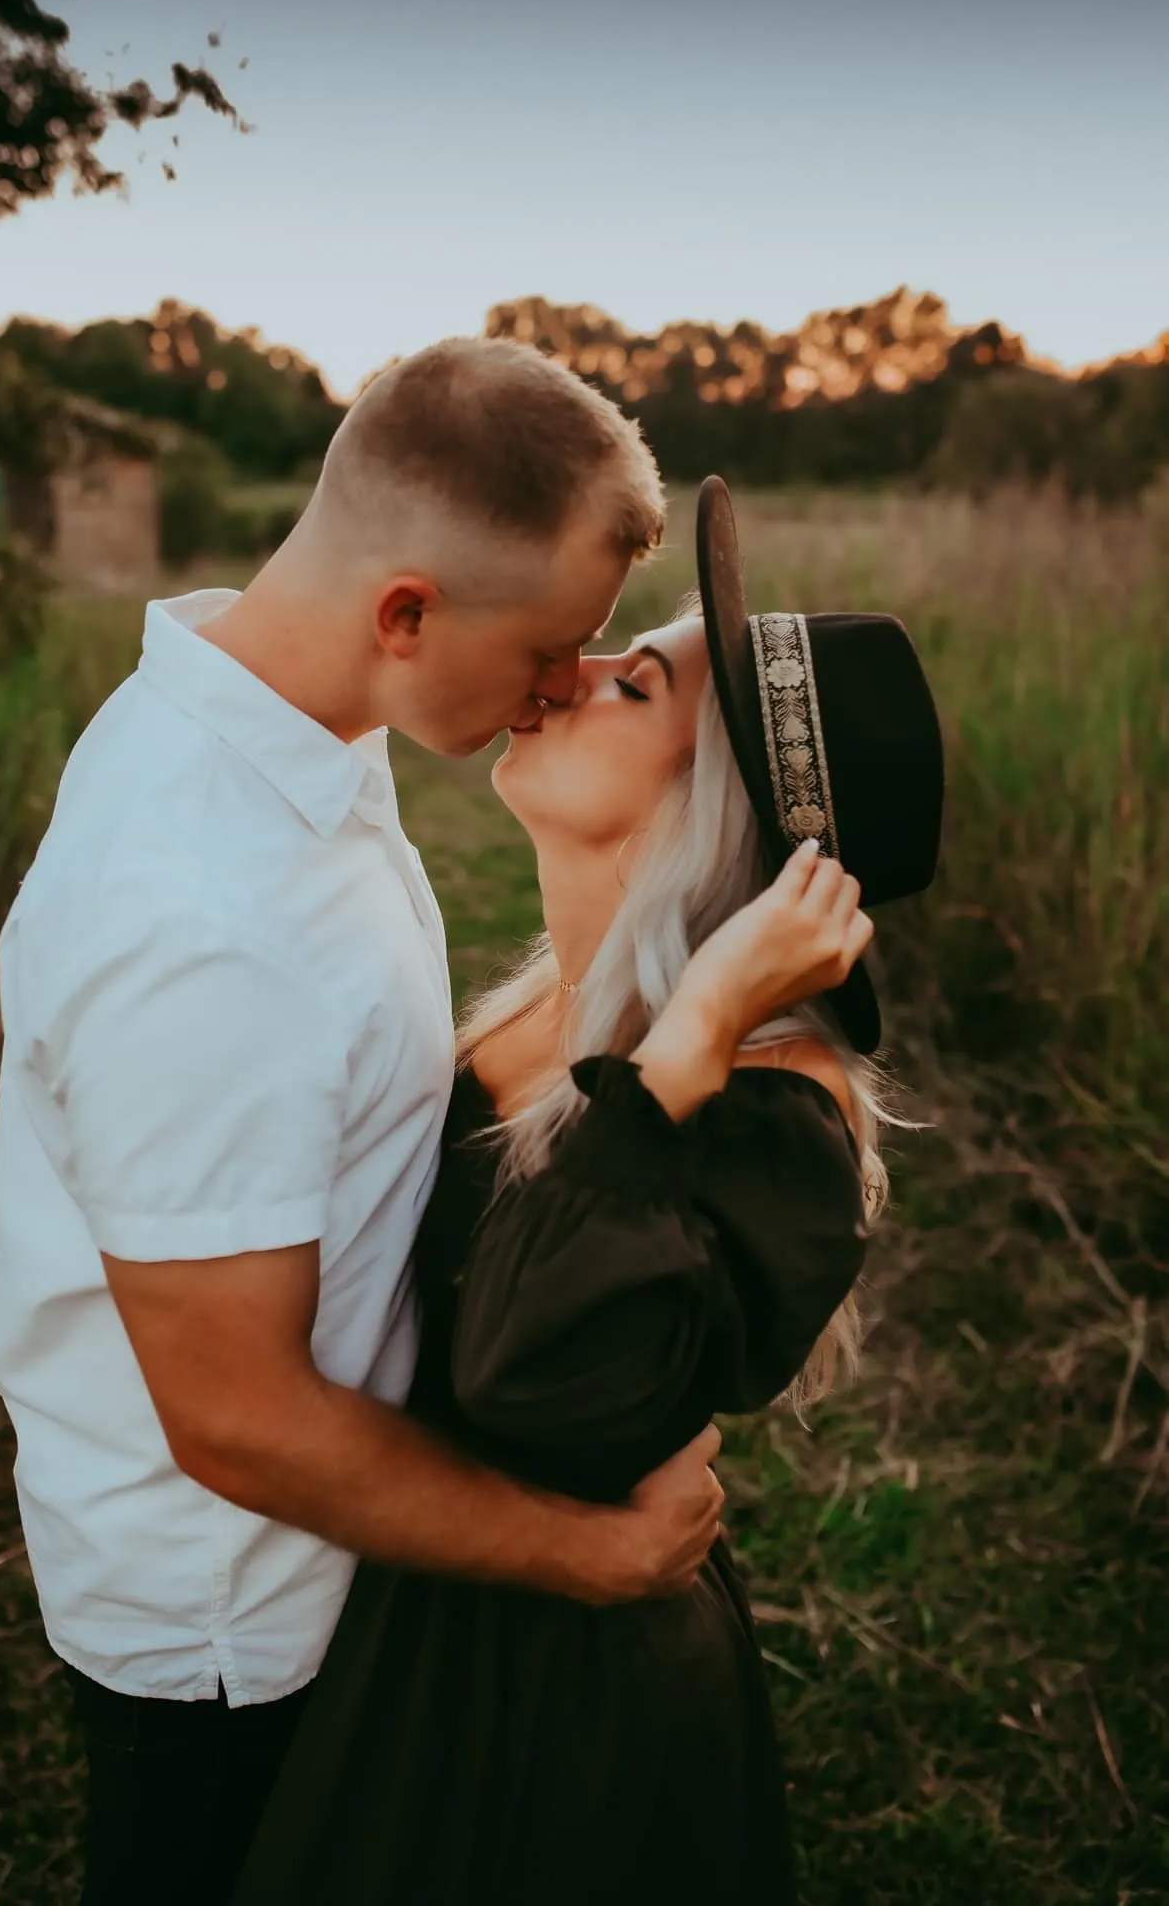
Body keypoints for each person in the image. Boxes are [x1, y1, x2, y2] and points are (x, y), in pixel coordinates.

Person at [0, 337, 729, 1906]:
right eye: (547, 649)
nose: (559, 688)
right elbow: (237, 1417)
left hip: (336, 1581)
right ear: (407, 612)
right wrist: (585, 1557)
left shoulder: (296, 736)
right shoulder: (201, 913)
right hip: (237, 1642)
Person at [229, 477, 945, 1905]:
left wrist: (686, 1046)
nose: (562, 676)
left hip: (559, 1715)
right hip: (401, 1615)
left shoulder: (769, 1115)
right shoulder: (532, 1006)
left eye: (632, 684)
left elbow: (537, 1384)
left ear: (711, 804)